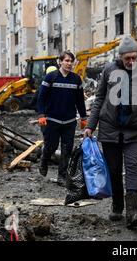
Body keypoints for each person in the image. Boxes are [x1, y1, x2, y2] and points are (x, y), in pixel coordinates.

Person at [84, 35, 137, 229]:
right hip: (110, 129)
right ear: (120, 57)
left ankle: (132, 212)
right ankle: (118, 205)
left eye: (134, 58)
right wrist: (90, 125)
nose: (131, 61)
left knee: (132, 167)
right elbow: (99, 99)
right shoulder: (108, 70)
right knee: (113, 170)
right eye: (127, 58)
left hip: (135, 130)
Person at [37, 51, 88, 187]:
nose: (69, 63)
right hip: (52, 119)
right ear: (60, 62)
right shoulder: (50, 77)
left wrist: (83, 117)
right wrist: (41, 115)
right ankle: (44, 159)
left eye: (71, 61)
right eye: (66, 60)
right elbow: (41, 98)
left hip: (69, 121)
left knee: (67, 150)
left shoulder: (76, 79)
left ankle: (62, 176)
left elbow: (79, 101)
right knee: (51, 146)